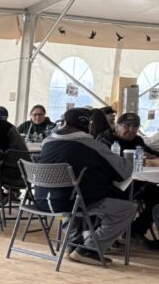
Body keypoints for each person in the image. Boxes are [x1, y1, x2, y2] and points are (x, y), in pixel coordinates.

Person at [35, 108, 135, 266]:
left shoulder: (47, 142)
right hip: (74, 202)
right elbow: (124, 171)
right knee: (127, 209)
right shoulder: (91, 144)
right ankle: (90, 249)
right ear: (88, 125)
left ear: (65, 122)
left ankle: (73, 242)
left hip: (42, 200)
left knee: (69, 195)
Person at [96, 113, 159, 244]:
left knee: (157, 194)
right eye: (127, 126)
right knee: (122, 198)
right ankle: (105, 234)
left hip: (135, 182)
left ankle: (135, 230)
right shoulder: (106, 139)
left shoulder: (137, 140)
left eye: (135, 126)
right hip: (108, 184)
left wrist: (148, 156)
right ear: (117, 126)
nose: (131, 130)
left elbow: (150, 154)